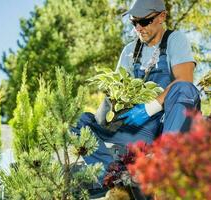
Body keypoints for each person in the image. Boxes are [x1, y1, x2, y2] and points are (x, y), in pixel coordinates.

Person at [71, 0, 201, 196]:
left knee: (185, 89)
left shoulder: (175, 40)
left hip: (161, 126)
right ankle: (114, 175)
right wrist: (109, 111)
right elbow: (116, 87)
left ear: (161, 17)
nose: (139, 28)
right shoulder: (129, 51)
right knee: (77, 120)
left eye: (145, 21)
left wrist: (150, 107)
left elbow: (185, 81)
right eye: (134, 23)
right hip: (130, 128)